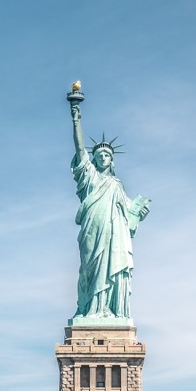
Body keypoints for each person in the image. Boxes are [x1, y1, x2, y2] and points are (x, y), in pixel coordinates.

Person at [69, 96, 149, 319]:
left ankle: (107, 309)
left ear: (112, 160)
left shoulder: (117, 186)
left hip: (114, 235)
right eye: (99, 155)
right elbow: (79, 148)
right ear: (93, 160)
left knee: (112, 266)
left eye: (107, 155)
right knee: (90, 270)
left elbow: (131, 213)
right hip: (93, 230)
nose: (103, 157)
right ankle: (90, 309)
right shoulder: (90, 178)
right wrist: (76, 117)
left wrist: (139, 213)